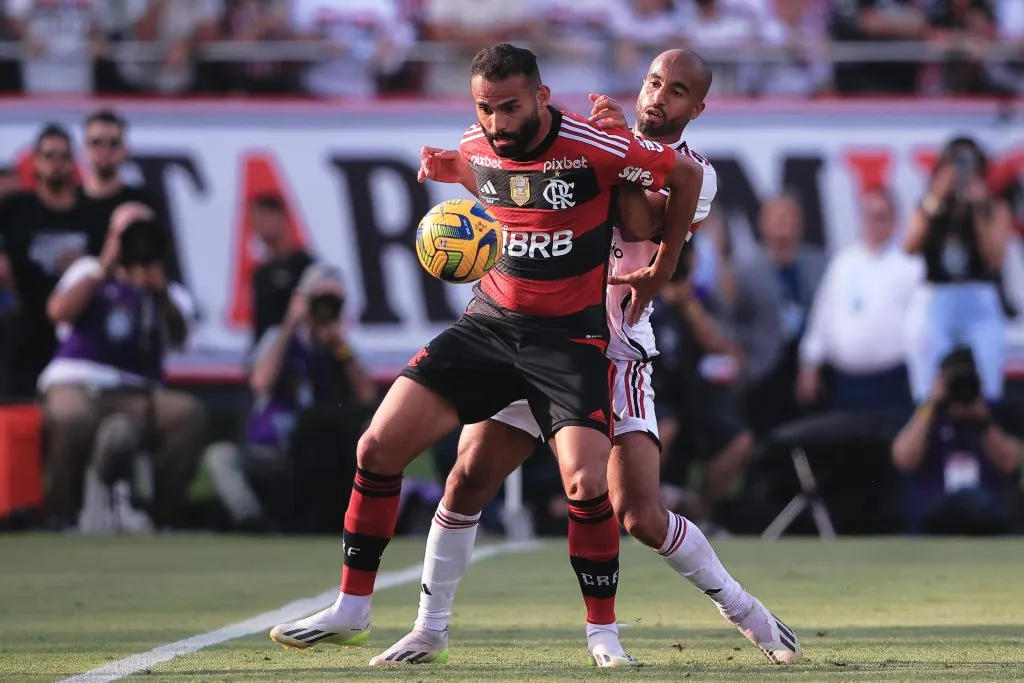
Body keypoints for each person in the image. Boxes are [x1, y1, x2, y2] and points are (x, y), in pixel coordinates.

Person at [269, 42, 706, 667]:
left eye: (510, 107)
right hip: (488, 327)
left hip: (569, 342)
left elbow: (684, 177)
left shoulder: (597, 145)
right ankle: (353, 607)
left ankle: (603, 636)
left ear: (541, 98)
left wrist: (661, 270)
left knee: (586, 485)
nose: (498, 123)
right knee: (377, 448)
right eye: (486, 108)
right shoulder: (476, 145)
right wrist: (451, 166)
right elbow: (491, 178)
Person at [369, 49, 802, 667]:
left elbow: (632, 218)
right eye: (654, 82)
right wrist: (465, 171)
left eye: (677, 92)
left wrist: (617, 147)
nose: (659, 97)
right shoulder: (599, 142)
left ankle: (745, 611)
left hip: (614, 347)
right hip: (537, 333)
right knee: (467, 479)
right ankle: (428, 628)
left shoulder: (694, 174)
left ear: (698, 109)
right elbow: (529, 186)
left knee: (640, 514)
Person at [38, 202, 205, 531]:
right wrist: (106, 266)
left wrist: (157, 292)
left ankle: (162, 515)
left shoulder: (165, 290)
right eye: (127, 233)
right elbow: (58, 311)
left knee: (187, 414)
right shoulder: (87, 271)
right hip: (79, 382)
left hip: (137, 392)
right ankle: (62, 515)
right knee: (70, 418)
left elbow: (182, 337)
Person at [206, 264, 376, 532]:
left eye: (333, 301)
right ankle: (252, 520)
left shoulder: (341, 347)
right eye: (319, 299)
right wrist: (290, 325)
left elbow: (367, 394)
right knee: (220, 456)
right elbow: (260, 382)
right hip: (270, 445)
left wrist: (339, 347)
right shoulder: (278, 336)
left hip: (316, 449)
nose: (324, 308)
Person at [904, 137, 1013, 404]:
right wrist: (936, 197)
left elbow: (995, 260)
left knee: (987, 384)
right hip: (937, 296)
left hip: (978, 298)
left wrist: (978, 209)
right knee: (930, 383)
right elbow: (909, 246)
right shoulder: (929, 206)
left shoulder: (994, 208)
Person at [0, 124, 105, 398]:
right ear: (35, 162)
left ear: (75, 162)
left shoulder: (93, 214)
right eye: (49, 156)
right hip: (23, 329)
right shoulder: (14, 209)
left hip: (77, 334)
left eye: (64, 157)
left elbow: (107, 269)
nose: (56, 164)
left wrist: (83, 266)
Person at [891, 346, 1022, 535]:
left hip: (987, 516)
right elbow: (903, 459)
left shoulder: (995, 412)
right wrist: (931, 405)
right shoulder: (926, 414)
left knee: (975, 503)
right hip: (935, 512)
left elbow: (1011, 463)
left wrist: (983, 421)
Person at [249, 194, 314, 345]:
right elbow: (260, 325)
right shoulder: (261, 273)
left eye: (263, 218)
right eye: (255, 220)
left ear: (279, 217)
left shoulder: (304, 266)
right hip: (268, 356)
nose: (258, 226)